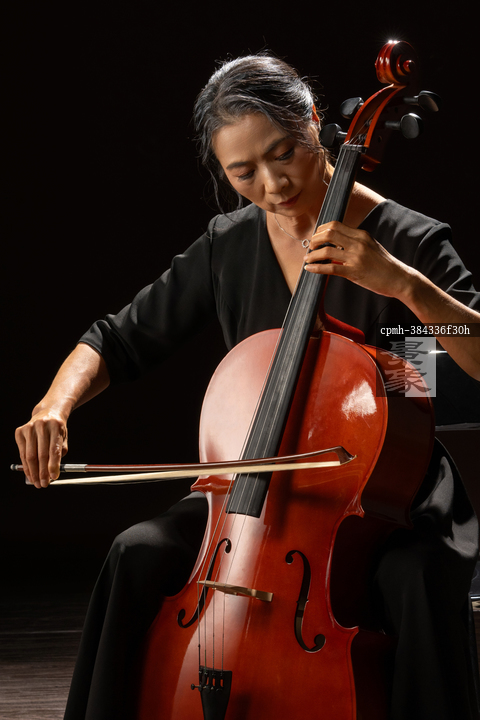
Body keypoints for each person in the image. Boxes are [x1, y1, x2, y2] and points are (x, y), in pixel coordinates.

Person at [15, 53, 480, 720]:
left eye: (284, 153)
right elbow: (114, 340)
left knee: (416, 577)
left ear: (314, 122)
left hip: (384, 491)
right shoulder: (228, 246)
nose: (272, 183)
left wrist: (406, 285)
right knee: (136, 552)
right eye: (243, 172)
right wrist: (54, 407)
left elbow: (469, 351)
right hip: (252, 493)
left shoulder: (408, 240)